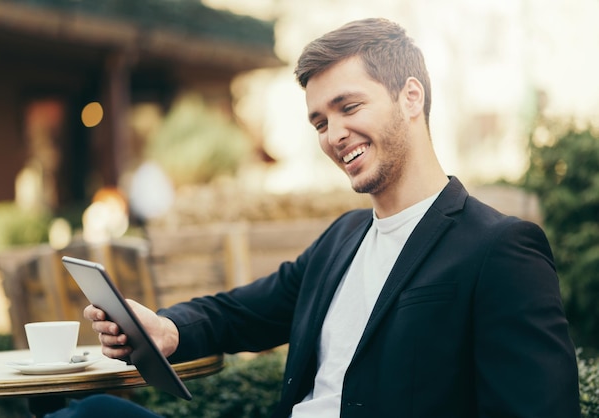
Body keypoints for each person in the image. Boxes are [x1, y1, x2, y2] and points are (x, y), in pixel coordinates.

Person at [48, 18, 580, 417]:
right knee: (90, 412)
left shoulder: (499, 248)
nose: (333, 135)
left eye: (349, 108)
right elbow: (241, 312)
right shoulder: (343, 239)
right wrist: (166, 329)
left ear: (410, 98)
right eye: (320, 121)